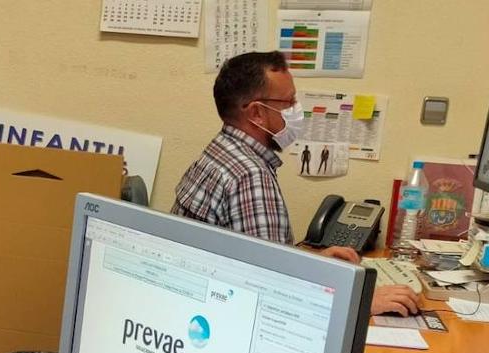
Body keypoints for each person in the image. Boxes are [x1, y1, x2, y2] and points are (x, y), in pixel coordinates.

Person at [173, 51, 421, 317]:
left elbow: (258, 260)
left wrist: (312, 261)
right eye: (288, 102)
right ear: (256, 112)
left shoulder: (220, 151)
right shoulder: (250, 176)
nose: (296, 110)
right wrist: (360, 304)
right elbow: (271, 292)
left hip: (193, 304)